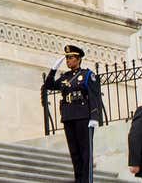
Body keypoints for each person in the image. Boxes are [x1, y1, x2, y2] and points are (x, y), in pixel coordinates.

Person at [44, 44, 104, 183]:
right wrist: (53, 70)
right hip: (68, 116)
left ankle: (86, 181)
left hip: (84, 116)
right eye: (67, 58)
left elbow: (95, 96)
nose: (68, 61)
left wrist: (94, 116)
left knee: (85, 152)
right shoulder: (65, 77)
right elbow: (49, 86)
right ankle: (78, 180)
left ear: (78, 59)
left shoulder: (87, 75)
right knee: (74, 153)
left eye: (70, 58)